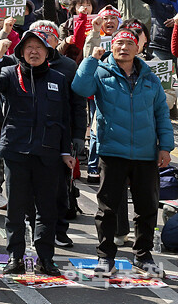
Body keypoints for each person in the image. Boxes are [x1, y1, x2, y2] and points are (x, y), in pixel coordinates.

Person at [71, 29, 173, 277]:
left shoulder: (150, 77)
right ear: (112, 47)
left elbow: (161, 113)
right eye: (119, 43)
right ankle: (105, 257)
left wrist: (166, 147)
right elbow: (80, 88)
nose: (124, 48)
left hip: (146, 153)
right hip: (112, 150)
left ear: (138, 48)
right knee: (107, 208)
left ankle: (143, 255)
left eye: (129, 43)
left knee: (147, 208)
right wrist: (91, 59)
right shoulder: (100, 71)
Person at [0, 30, 76, 276]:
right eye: (28, 47)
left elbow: (64, 119)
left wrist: (66, 151)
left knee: (47, 209)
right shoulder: (8, 74)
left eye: (39, 47)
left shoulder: (58, 78)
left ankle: (45, 258)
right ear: (21, 52)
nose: (33, 51)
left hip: (48, 153)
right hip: (16, 150)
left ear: (48, 52)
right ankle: (15, 256)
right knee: (15, 207)